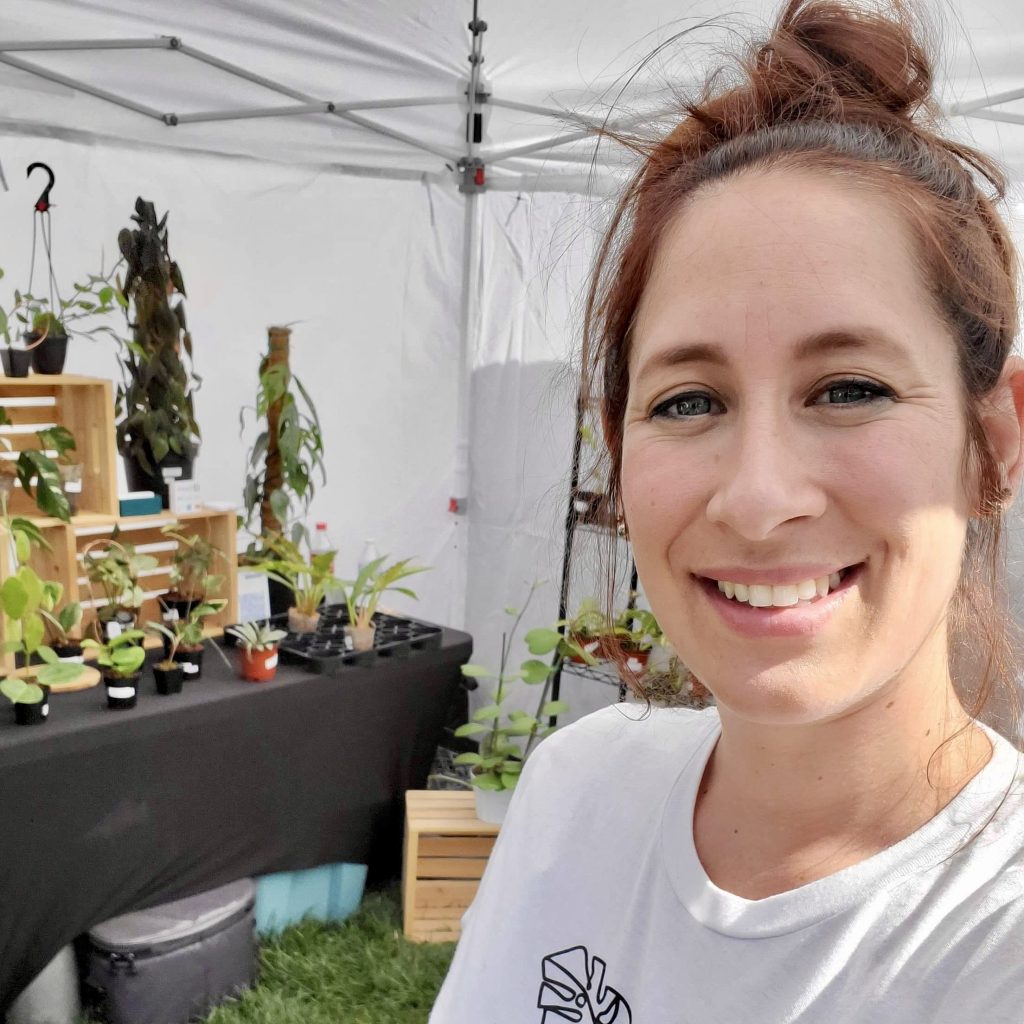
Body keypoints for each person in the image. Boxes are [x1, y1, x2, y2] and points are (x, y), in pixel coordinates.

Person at [429, 1, 1024, 1020]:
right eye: (689, 401)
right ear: (619, 454)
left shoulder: (992, 939)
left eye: (848, 388)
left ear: (995, 442)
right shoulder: (579, 790)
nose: (755, 499)